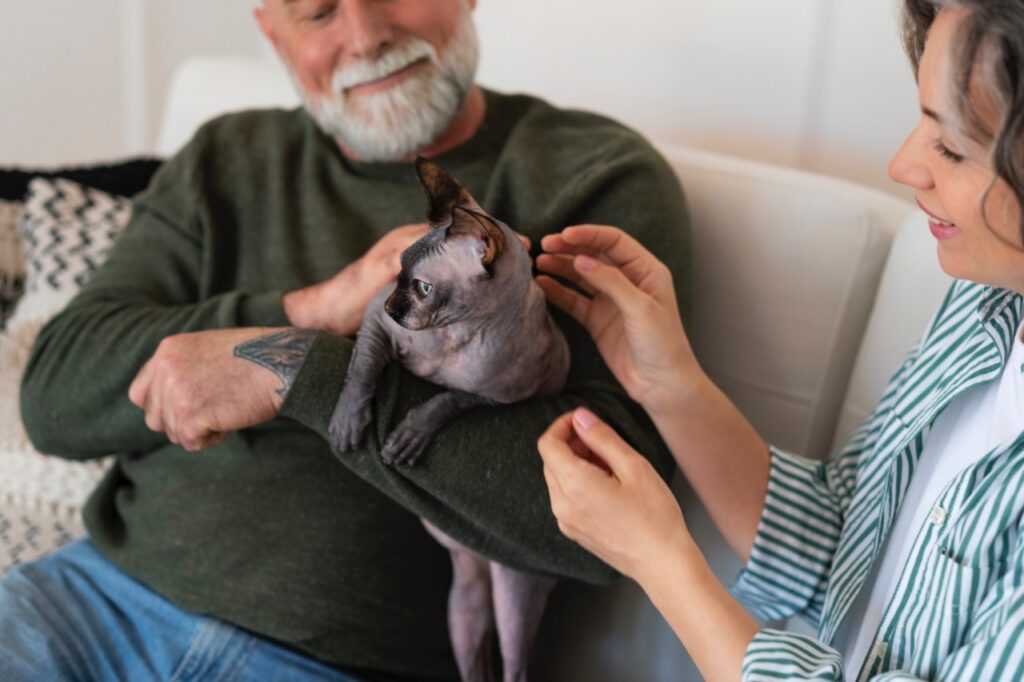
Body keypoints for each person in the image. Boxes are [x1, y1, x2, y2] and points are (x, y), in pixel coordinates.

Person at [5, 0, 690, 680]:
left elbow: (620, 522)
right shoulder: (226, 156)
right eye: (317, 11)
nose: (365, 37)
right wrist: (308, 309)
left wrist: (295, 370)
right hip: (92, 601)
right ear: (273, 34)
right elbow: (54, 396)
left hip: (338, 664)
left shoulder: (592, 175)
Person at [537, 1, 1024, 680]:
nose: (903, 164)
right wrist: (669, 384)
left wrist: (662, 561)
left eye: (953, 146)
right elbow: (846, 545)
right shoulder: (988, 299)